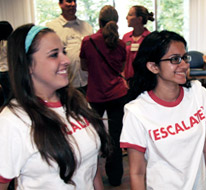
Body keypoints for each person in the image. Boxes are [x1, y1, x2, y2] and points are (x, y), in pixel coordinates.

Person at [0, 24, 110, 190]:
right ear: (28, 65)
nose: (65, 60)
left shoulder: (77, 102)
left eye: (63, 51)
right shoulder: (13, 121)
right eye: (54, 55)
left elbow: (91, 170)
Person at [120, 30, 206, 189]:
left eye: (185, 58)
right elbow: (137, 172)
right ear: (153, 66)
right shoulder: (137, 111)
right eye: (175, 59)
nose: (185, 65)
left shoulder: (198, 94)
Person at [80, 5, 127, 187]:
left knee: (94, 136)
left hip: (95, 94)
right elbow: (121, 68)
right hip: (117, 93)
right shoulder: (121, 44)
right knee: (115, 136)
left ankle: (93, 176)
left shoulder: (88, 41)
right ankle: (115, 178)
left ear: (99, 21)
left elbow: (84, 66)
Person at [46, 0, 93, 94]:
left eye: (74, 1)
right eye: (68, 1)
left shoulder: (87, 27)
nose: (72, 4)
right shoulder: (51, 28)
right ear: (60, 4)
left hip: (88, 83)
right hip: (64, 84)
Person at [122, 5, 154, 79]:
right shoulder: (125, 37)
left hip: (145, 81)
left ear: (139, 19)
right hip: (127, 81)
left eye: (130, 15)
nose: (126, 17)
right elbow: (122, 60)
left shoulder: (150, 38)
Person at [0, 21, 13, 105]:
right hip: (8, 71)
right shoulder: (9, 44)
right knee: (12, 96)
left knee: (6, 95)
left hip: (1, 72)